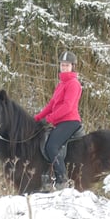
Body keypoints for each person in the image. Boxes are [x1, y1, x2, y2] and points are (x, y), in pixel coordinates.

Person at [34, 51, 82, 190]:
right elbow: (51, 105)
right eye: (62, 65)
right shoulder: (61, 84)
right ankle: (46, 178)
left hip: (70, 121)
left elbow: (67, 107)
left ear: (73, 66)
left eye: (67, 65)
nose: (64, 67)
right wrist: (37, 118)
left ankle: (62, 180)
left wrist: (49, 119)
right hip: (59, 121)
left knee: (51, 146)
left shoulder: (73, 84)